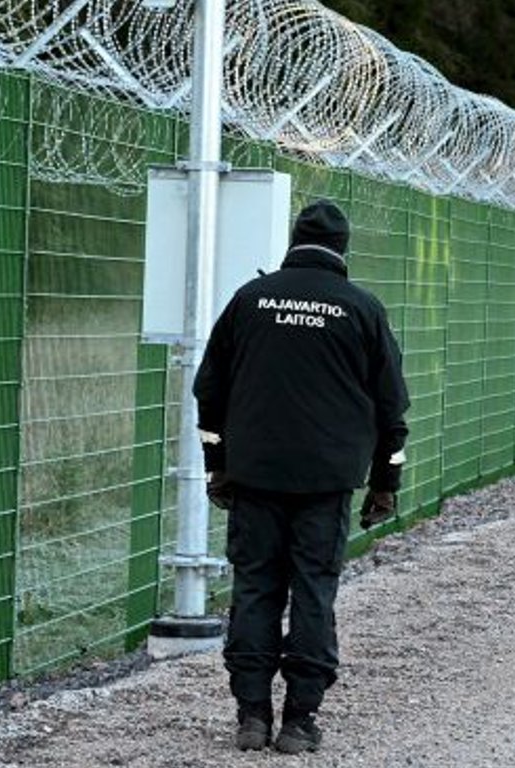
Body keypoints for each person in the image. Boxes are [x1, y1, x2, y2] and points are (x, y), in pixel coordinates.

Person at [193, 199, 409, 753]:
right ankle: (299, 720)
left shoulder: (249, 301)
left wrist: (216, 466)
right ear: (343, 250)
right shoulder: (361, 308)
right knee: (314, 590)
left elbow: (209, 391)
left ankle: (251, 716)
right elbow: (392, 407)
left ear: (293, 241)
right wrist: (386, 482)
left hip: (255, 475)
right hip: (326, 480)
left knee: (256, 587)